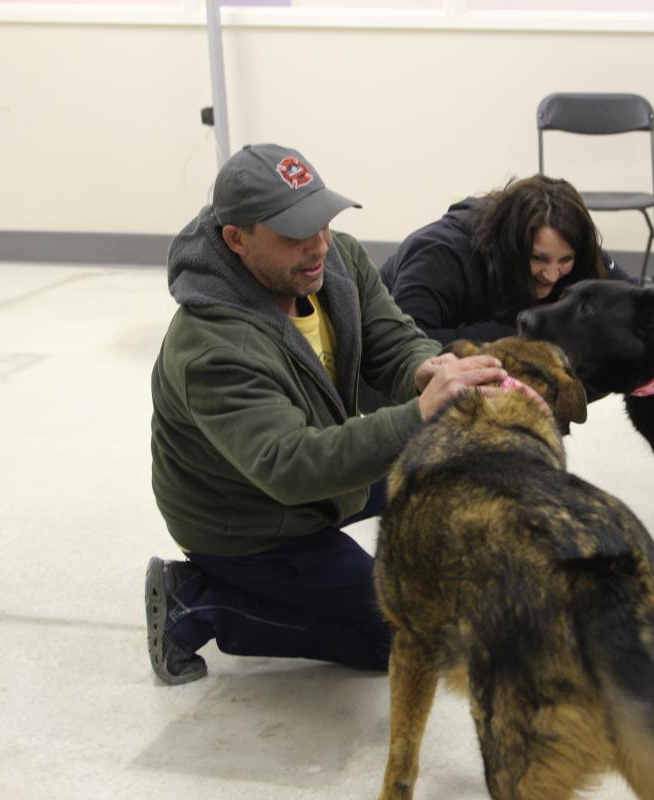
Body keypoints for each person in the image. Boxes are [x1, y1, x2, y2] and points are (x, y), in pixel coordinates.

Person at [146, 143, 507, 685]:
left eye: (322, 222)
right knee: (404, 639)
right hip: (250, 525)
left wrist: (426, 371)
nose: (318, 246)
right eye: (294, 234)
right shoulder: (213, 349)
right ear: (236, 240)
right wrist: (418, 416)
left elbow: (390, 336)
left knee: (464, 464)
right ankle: (199, 601)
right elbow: (292, 467)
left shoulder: (333, 261)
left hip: (320, 480)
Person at [379, 174, 632, 346]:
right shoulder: (441, 254)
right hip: (389, 382)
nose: (552, 274)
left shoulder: (570, 248)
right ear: (510, 245)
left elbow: (632, 298)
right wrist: (513, 334)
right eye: (538, 258)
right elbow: (403, 344)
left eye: (565, 260)